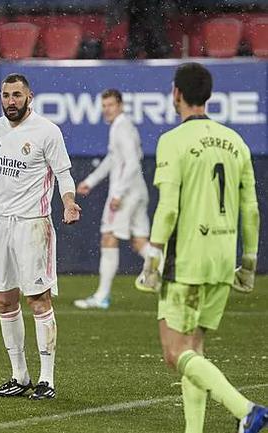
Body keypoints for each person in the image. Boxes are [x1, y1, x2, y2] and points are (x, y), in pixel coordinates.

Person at [136, 62, 267, 433]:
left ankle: (246, 410)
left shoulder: (173, 141)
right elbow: (251, 210)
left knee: (175, 353)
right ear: (208, 95)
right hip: (222, 260)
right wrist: (248, 262)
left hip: (187, 261)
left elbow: (168, 208)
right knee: (194, 350)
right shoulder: (236, 141)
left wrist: (153, 259)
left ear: (176, 93)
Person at [0, 73, 81, 400]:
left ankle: (47, 379)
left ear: (29, 97)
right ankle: (20, 376)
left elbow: (63, 174)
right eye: (6, 95)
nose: (11, 101)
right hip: (1, 225)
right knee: (4, 299)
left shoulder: (47, 131)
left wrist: (69, 202)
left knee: (38, 299)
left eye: (17, 95)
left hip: (33, 225)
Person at [73, 89, 150, 310]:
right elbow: (113, 158)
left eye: (111, 105)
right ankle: (176, 282)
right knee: (140, 242)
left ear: (120, 106)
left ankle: (102, 296)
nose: (107, 110)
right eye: (104, 106)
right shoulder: (121, 126)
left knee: (108, 238)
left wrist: (118, 194)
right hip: (137, 191)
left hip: (126, 194)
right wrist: (91, 180)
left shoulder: (122, 127)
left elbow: (132, 163)